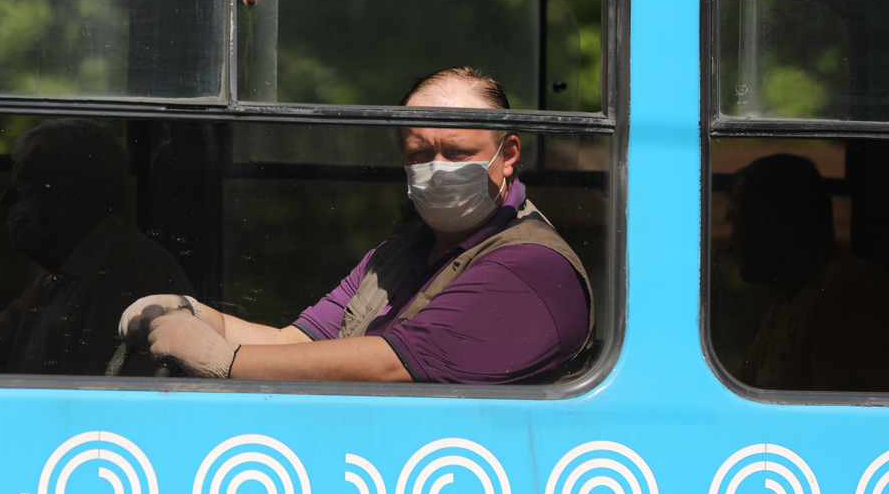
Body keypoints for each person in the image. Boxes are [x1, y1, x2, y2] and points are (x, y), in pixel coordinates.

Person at [119, 67, 594, 384]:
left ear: (508, 155)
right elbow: (294, 343)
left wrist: (224, 360)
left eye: (458, 153)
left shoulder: (532, 268)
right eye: (420, 154)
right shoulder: (399, 254)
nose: (438, 168)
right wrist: (201, 316)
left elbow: (390, 364)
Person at [0, 119, 194, 376]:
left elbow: (112, 393)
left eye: (24, 182)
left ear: (79, 189)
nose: (5, 198)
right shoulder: (54, 280)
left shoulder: (133, 269)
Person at [726, 154, 889, 391]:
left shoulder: (848, 291)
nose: (730, 241)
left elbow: (844, 411)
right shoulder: (791, 299)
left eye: (735, 219)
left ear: (769, 221)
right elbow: (736, 390)